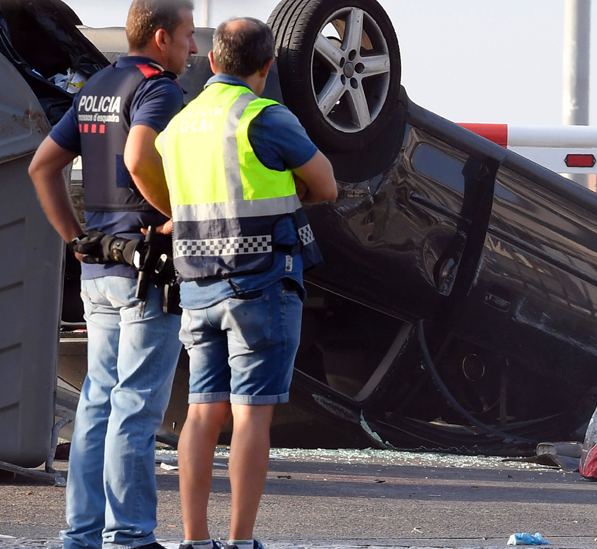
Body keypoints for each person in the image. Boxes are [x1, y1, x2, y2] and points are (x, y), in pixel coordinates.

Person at [153, 17, 338, 549]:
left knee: (201, 413)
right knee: (251, 414)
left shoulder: (181, 126)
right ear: (268, 66)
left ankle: (195, 540)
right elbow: (325, 184)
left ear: (211, 61)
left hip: (196, 285)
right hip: (259, 284)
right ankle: (240, 541)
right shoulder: (264, 116)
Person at [27, 1, 197, 547]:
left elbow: (42, 166)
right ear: (162, 37)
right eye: (189, 37)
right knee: (137, 405)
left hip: (99, 267)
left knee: (99, 402)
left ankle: (81, 533)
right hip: (146, 271)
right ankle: (129, 536)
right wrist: (178, 215)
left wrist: (75, 239)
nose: (193, 49)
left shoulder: (98, 83)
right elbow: (139, 155)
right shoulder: (159, 89)